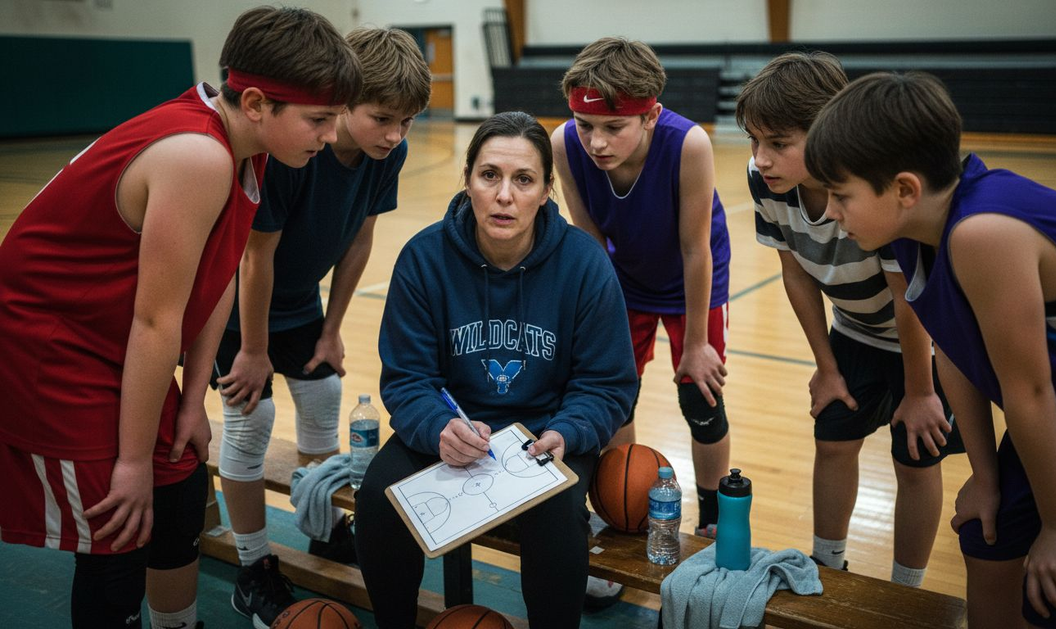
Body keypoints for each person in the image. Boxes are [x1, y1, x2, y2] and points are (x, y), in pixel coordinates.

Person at [0, 7, 359, 629]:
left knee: (181, 490)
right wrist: (133, 460)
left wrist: (194, 400)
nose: (330, 136)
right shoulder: (197, 155)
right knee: (118, 525)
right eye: (319, 119)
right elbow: (153, 321)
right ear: (254, 102)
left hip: (112, 341)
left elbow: (212, 280)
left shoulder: (249, 150)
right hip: (50, 347)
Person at [804, 71, 1056, 627]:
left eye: (842, 195)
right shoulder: (912, 231)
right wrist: (987, 479)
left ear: (905, 189)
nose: (832, 212)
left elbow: (1029, 392)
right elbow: (958, 355)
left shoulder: (984, 232)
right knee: (985, 540)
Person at [353, 111, 637, 629]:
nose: (504, 195)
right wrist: (438, 427)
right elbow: (407, 377)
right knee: (377, 499)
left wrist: (567, 431)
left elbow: (608, 383)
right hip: (453, 427)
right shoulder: (423, 258)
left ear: (547, 190)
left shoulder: (584, 264)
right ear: (467, 181)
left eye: (523, 179)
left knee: (557, 514)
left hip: (545, 436)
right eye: (490, 176)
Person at [208, 26, 431, 627]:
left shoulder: (389, 154)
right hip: (235, 307)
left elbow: (360, 239)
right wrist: (252, 350)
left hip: (302, 301)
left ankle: (320, 526)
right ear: (342, 101)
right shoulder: (293, 151)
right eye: (382, 117)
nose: (395, 134)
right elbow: (255, 257)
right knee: (251, 422)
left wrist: (331, 329)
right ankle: (253, 568)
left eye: (407, 122)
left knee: (324, 393)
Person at [735, 52, 963, 587]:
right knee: (833, 440)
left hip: (926, 341)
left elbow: (907, 297)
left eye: (778, 143)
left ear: (826, 132)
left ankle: (907, 588)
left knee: (916, 459)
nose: (761, 158)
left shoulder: (872, 189)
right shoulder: (764, 181)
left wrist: (920, 391)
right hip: (855, 331)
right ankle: (827, 564)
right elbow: (794, 272)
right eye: (753, 141)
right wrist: (827, 366)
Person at [550, 39, 730, 603]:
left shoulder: (688, 144)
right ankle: (621, 511)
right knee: (611, 396)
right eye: (585, 123)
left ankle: (712, 517)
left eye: (614, 126)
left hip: (690, 277)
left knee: (700, 397)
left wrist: (697, 343)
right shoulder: (565, 143)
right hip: (621, 278)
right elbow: (587, 236)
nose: (596, 141)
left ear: (650, 116)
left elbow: (695, 249)